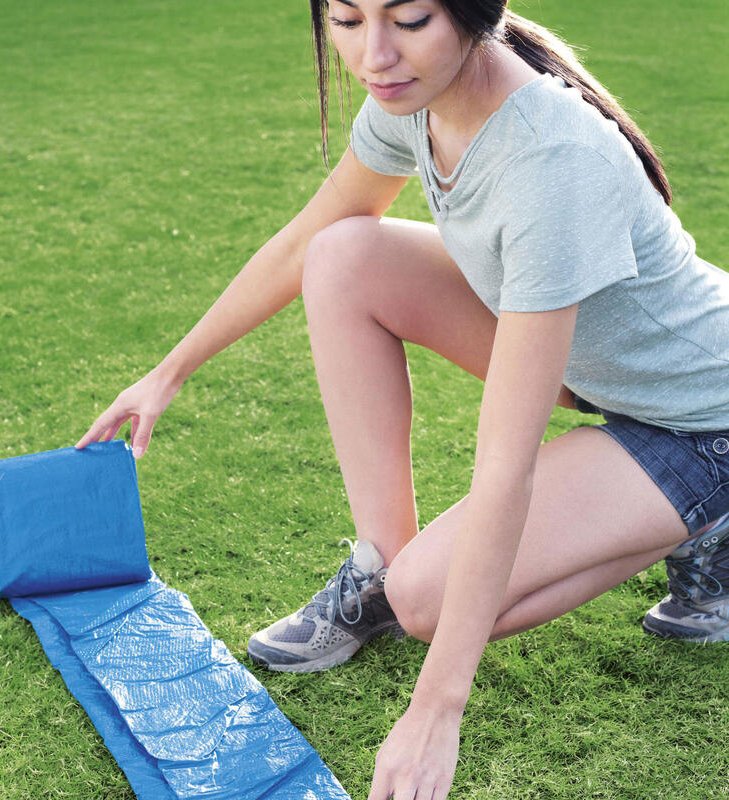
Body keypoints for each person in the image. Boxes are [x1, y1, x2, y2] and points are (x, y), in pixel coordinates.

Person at [76, 1, 729, 797]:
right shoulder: (413, 100)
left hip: (703, 418)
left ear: (473, 13)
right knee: (342, 255)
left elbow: (506, 462)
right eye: (346, 20)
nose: (372, 53)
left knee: (428, 602)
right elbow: (303, 238)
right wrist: (168, 370)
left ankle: (710, 521)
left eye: (410, 18)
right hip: (603, 370)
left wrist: (436, 710)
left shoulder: (553, 159)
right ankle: (376, 567)